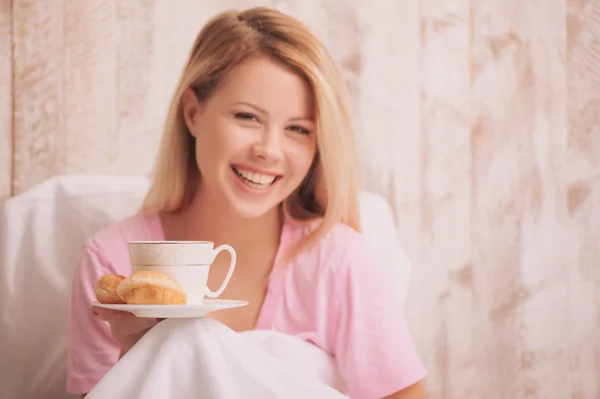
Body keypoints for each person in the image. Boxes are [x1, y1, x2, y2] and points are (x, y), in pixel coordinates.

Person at [67, 6, 428, 399]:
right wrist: (138, 355)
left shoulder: (337, 261)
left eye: (297, 129)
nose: (269, 150)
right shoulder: (114, 262)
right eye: (247, 117)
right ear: (193, 113)